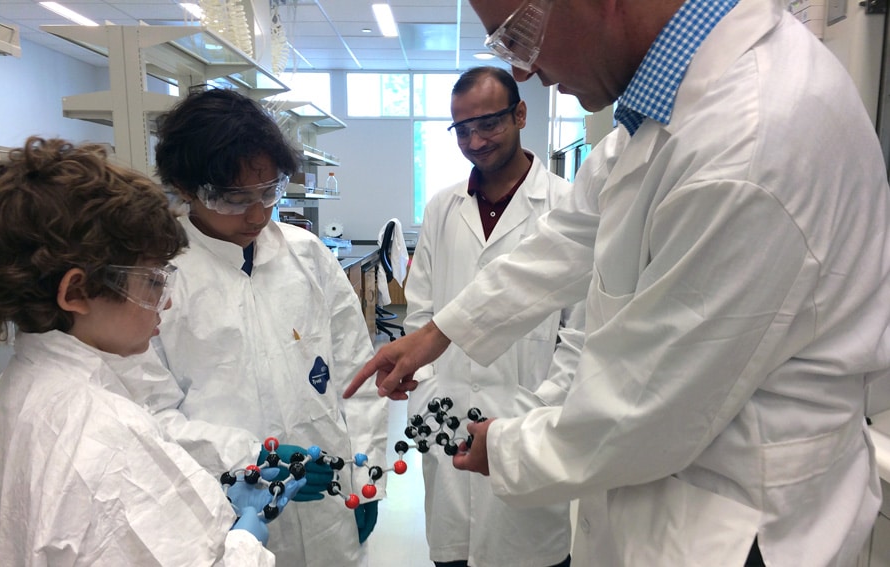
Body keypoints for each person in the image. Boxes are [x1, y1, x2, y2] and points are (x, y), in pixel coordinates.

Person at [345, 0, 890, 565]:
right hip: (662, 496)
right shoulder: (664, 110)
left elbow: (649, 413)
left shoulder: (748, 141)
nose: (526, 70)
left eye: (520, 34)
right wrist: (438, 332)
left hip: (734, 531)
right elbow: (565, 240)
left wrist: (504, 447)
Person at [0, 136, 298, 565]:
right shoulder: (100, 432)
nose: (168, 301)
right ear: (77, 291)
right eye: (153, 283)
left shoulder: (26, 387)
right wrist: (243, 543)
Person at [150, 86, 388, 567]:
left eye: (269, 191)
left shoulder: (307, 256)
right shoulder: (159, 279)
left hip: (327, 507)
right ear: (184, 186)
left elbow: (359, 376)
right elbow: (151, 417)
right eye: (235, 198)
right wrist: (249, 459)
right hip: (227, 515)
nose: (258, 214)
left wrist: (368, 480)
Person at [405, 66, 587, 567]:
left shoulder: (568, 205)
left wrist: (535, 414)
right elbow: (419, 312)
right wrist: (426, 391)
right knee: (454, 554)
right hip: (447, 416)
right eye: (462, 129)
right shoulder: (443, 208)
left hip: (527, 420)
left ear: (521, 114)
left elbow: (581, 333)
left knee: (528, 554)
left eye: (488, 124)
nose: (475, 140)